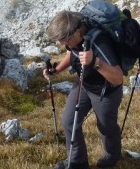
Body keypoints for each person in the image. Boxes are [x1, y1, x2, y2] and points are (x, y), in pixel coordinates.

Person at [43, 10, 124, 169]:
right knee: (68, 121)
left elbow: (118, 78)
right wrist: (57, 70)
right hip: (83, 84)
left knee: (106, 126)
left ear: (78, 32)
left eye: (64, 39)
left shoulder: (99, 43)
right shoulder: (74, 40)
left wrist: (94, 62)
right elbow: (71, 53)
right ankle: (77, 163)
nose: (62, 44)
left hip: (105, 91)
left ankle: (112, 154)